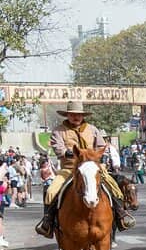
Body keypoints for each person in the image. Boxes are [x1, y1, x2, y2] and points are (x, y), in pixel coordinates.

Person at [34, 101, 136, 238]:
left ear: (83, 116)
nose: (75, 117)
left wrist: (100, 157)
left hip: (93, 168)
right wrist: (70, 153)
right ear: (67, 115)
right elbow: (58, 148)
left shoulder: (92, 129)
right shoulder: (59, 131)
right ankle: (48, 222)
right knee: (51, 191)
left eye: (78, 115)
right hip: (70, 168)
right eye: (72, 114)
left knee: (114, 187)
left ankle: (121, 215)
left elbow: (101, 146)